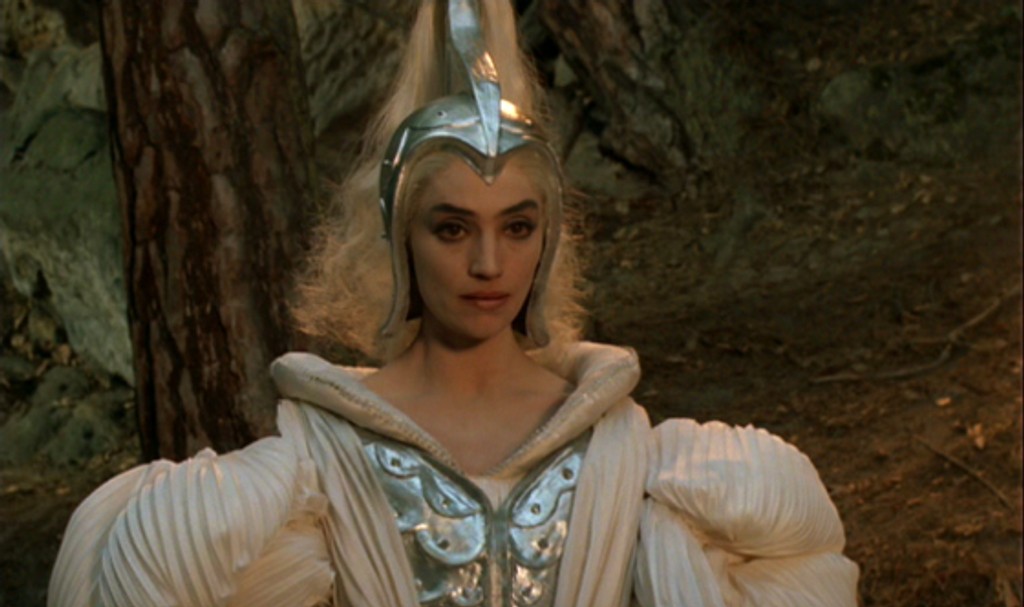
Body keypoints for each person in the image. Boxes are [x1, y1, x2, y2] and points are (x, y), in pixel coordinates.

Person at [48, 1, 860, 605]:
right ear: (399, 238)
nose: (487, 263)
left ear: (549, 238)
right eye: (451, 228)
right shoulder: (318, 458)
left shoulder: (628, 451)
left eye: (517, 227)